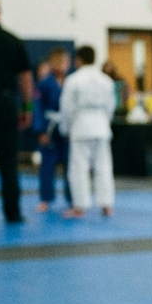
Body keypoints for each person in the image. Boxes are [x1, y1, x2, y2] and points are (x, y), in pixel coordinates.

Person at [0, 0, 33, 224]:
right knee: (9, 162)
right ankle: (12, 212)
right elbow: (25, 78)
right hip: (5, 103)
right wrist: (26, 108)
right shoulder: (12, 41)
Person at [60, 45, 116, 219]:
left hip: (81, 126)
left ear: (79, 59)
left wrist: (65, 128)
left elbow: (66, 107)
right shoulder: (106, 80)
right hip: (101, 125)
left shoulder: (73, 79)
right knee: (104, 167)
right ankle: (106, 205)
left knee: (79, 168)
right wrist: (105, 122)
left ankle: (80, 206)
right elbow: (111, 106)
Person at [34, 47, 72, 212]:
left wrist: (73, 128)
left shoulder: (72, 82)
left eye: (65, 61)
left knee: (70, 165)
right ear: (52, 63)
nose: (63, 65)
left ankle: (73, 198)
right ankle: (46, 199)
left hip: (67, 129)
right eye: (60, 62)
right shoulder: (43, 84)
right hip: (49, 128)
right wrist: (40, 131)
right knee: (47, 165)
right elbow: (37, 108)